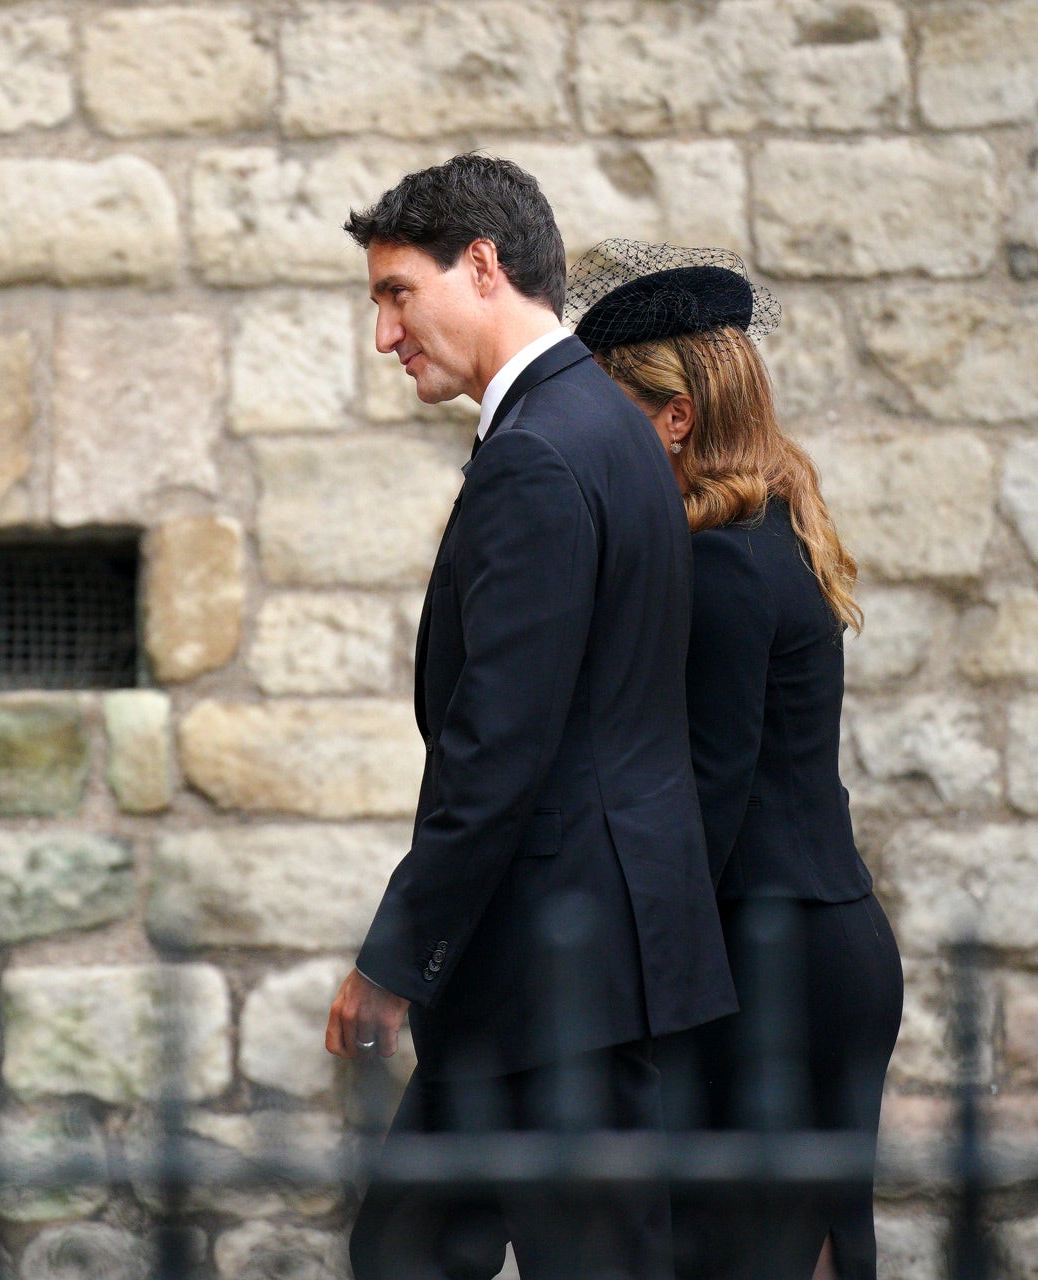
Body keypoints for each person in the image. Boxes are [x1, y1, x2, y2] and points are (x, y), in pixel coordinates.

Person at [323, 166, 735, 1278]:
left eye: (399, 293)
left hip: (556, 978)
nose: (384, 334)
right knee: (403, 1252)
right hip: (563, 967)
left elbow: (498, 750)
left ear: (485, 266)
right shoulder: (605, 425)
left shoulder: (539, 454)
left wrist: (395, 961)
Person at [568, 240, 903, 1280]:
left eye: (610, 414)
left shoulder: (715, 560)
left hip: (774, 955)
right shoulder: (772, 530)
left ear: (674, 418)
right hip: (818, 935)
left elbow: (704, 796)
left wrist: (621, 977)